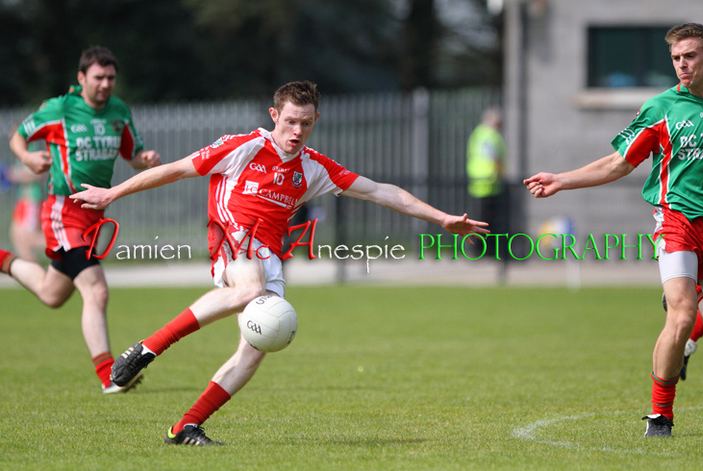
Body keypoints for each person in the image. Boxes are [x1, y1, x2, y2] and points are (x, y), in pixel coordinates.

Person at [71, 80, 488, 446]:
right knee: (249, 289)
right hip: (230, 238)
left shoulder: (314, 167)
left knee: (257, 347)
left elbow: (383, 192)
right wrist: (111, 195)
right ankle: (147, 349)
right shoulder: (244, 146)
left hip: (270, 257)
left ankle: (186, 426)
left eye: (306, 123)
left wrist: (442, 218)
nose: (297, 131)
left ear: (315, 120)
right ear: (275, 115)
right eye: (290, 121)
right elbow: (176, 170)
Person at [523, 23, 703, 437]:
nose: (682, 64)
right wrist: (561, 179)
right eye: (676, 58)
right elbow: (619, 162)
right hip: (677, 221)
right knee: (678, 314)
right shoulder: (661, 107)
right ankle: (660, 416)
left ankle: (695, 323)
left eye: (691, 56)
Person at [0, 46, 161, 394]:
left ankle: (2, 260)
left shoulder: (119, 112)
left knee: (51, 294)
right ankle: (110, 376)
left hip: (93, 216)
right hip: (62, 211)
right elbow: (18, 135)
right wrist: (27, 157)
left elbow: (132, 156)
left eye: (110, 78)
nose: (105, 84)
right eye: (98, 77)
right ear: (81, 78)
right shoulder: (60, 108)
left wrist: (144, 159)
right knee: (96, 289)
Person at [466, 107, 508, 259]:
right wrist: (501, 174)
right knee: (489, 221)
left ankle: (477, 251)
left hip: (477, 181)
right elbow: (495, 158)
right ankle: (486, 252)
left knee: (478, 219)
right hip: (491, 182)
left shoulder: (477, 133)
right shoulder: (492, 136)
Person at [1, 164, 46, 260]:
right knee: (15, 234)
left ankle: (64, 248)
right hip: (22, 199)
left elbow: (39, 174)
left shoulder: (33, 149)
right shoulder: (23, 150)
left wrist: (11, 175)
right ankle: (31, 269)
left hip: (31, 199)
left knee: (28, 238)